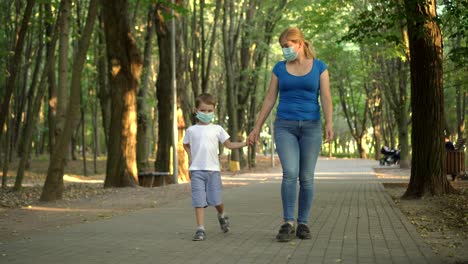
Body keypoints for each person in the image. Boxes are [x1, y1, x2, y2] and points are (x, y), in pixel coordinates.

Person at [247, 27, 333, 242]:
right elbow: (269, 99)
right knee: (290, 173)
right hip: (285, 126)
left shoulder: (320, 67)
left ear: (300, 44)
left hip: (311, 127)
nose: (285, 50)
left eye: (287, 46)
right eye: (282, 47)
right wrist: (257, 126)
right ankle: (288, 223)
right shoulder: (279, 68)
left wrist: (329, 122)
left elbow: (326, 96)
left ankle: (303, 223)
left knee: (307, 178)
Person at [183, 93, 247, 241]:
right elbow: (185, 144)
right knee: (199, 200)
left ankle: (222, 214)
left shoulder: (217, 129)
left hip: (213, 171)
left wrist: (245, 143)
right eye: (203, 110)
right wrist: (190, 156)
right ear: (196, 110)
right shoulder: (191, 130)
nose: (206, 113)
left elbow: (229, 144)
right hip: (196, 170)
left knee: (216, 200)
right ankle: (200, 229)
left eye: (209, 110)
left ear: (214, 110)